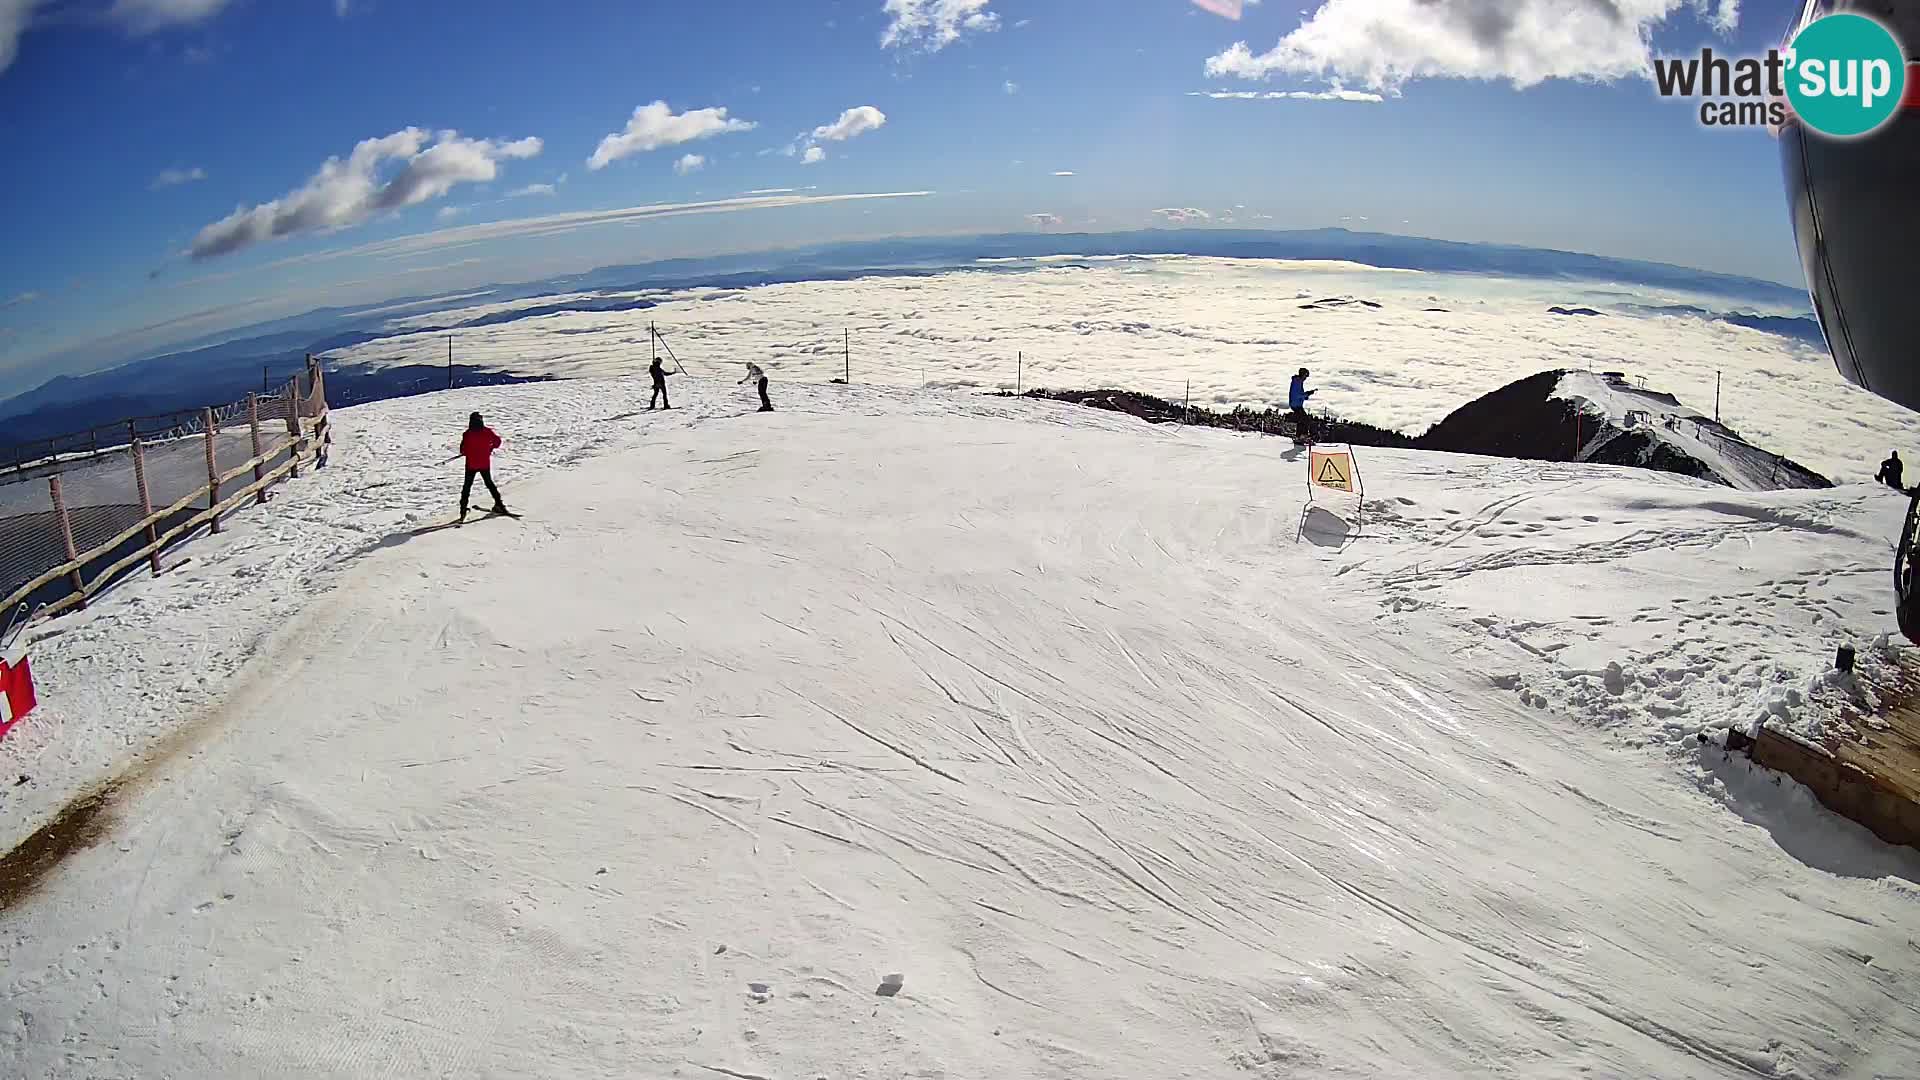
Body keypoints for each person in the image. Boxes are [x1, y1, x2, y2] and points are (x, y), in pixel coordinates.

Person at [458, 412, 508, 520]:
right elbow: (498, 442)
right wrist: (490, 447)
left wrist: (467, 451)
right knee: (489, 484)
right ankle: (499, 504)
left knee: (467, 487)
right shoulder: (487, 432)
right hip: (484, 463)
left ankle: (463, 510)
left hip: (471, 464)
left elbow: (463, 450)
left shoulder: (467, 434)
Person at [1288, 368, 1316, 444]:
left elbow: (1299, 394)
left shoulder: (1298, 381)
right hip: (1295, 404)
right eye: (1306, 376)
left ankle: (1299, 437)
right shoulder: (1297, 382)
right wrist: (1307, 393)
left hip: (1296, 404)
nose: (1306, 378)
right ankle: (1302, 436)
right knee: (1305, 420)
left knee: (1302, 420)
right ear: (1303, 375)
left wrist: (1306, 395)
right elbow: (1297, 395)